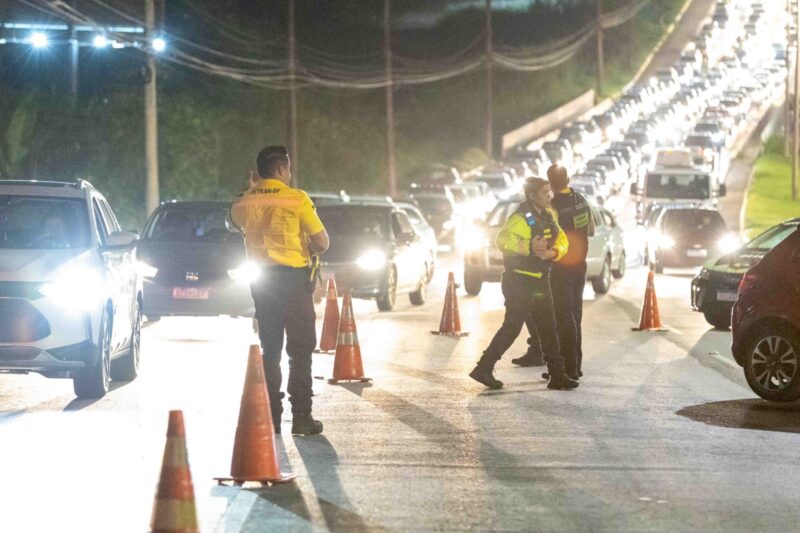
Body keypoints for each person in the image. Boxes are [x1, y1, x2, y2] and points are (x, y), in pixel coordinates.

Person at [229, 145, 330, 435]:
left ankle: (271, 417)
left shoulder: (245, 201)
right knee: (300, 350)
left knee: (270, 349)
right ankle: (302, 417)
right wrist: (308, 247)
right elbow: (322, 242)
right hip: (294, 282)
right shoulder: (297, 198)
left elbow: (232, 220)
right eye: (289, 169)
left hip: (262, 283)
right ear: (282, 169)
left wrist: (251, 191)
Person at [468, 177, 579, 391]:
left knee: (549, 328)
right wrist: (529, 246)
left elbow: (562, 240)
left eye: (549, 192)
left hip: (540, 280)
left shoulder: (548, 216)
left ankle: (557, 375)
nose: (550, 196)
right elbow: (501, 241)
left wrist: (553, 252)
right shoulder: (520, 218)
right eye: (545, 192)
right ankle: (483, 368)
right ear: (532, 196)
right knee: (512, 327)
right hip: (519, 281)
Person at [514, 165, 594, 379]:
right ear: (568, 179)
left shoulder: (552, 207)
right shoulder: (581, 201)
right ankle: (575, 366)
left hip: (560, 268)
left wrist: (527, 210)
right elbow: (591, 230)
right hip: (579, 267)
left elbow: (537, 229)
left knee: (562, 319)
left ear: (550, 184)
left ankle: (567, 369)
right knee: (575, 317)